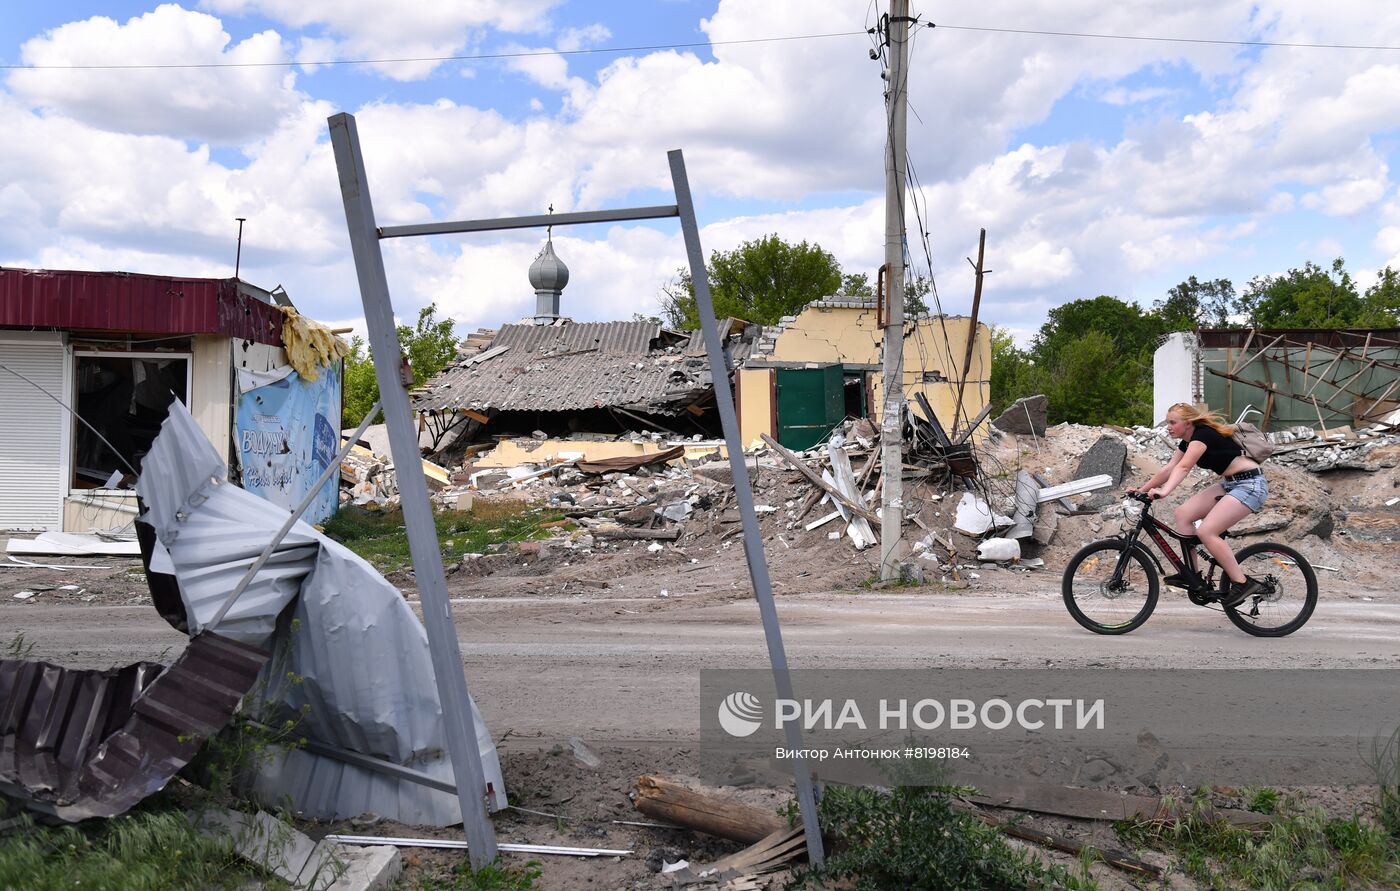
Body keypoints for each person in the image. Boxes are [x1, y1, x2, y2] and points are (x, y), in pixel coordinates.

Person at [1126, 402, 1268, 607]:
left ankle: (1242, 583)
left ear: (1188, 422)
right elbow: (1169, 469)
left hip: (1251, 485)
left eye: (1173, 422)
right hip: (1231, 484)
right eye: (1168, 422)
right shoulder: (1188, 440)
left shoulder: (1203, 435)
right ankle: (1192, 576)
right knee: (1183, 515)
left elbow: (1183, 468)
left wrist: (1164, 491)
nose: (1168, 426)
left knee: (1207, 532)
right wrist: (1142, 489)